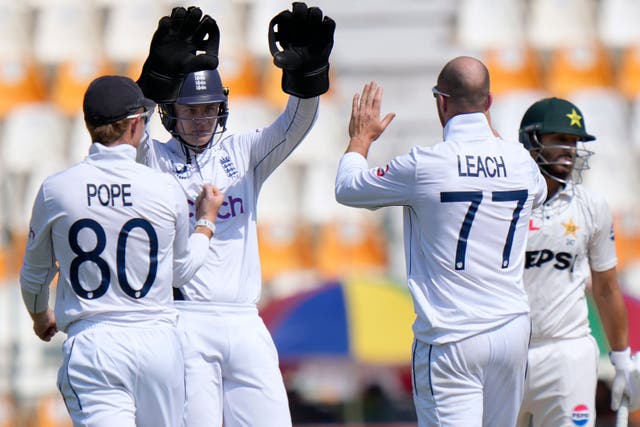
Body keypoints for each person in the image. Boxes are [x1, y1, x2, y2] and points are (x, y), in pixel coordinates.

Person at [134, 3, 335, 426]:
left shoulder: (242, 153)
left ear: (222, 108)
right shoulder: (154, 159)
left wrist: (307, 78)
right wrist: (155, 81)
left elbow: (295, 125)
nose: (201, 119)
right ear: (171, 112)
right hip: (185, 321)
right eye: (191, 110)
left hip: (245, 319)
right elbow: (129, 134)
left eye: (208, 109)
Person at [334, 57, 548, 426]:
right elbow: (539, 194)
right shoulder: (522, 162)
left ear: (441, 102)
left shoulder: (423, 165)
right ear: (489, 103)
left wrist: (360, 139)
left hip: (453, 337)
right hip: (512, 331)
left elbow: (348, 189)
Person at [19, 75, 224, 427]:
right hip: (159, 345)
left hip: (96, 346)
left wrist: (40, 317)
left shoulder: (57, 190)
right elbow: (181, 272)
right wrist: (206, 223)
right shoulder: (164, 188)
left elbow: (34, 276)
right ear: (133, 126)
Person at [515, 97, 640, 427]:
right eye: (560, 139)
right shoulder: (500, 203)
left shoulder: (591, 206)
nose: (569, 150)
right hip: (505, 352)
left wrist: (621, 358)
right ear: (531, 140)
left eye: (574, 141)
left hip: (568, 353)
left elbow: (607, 289)